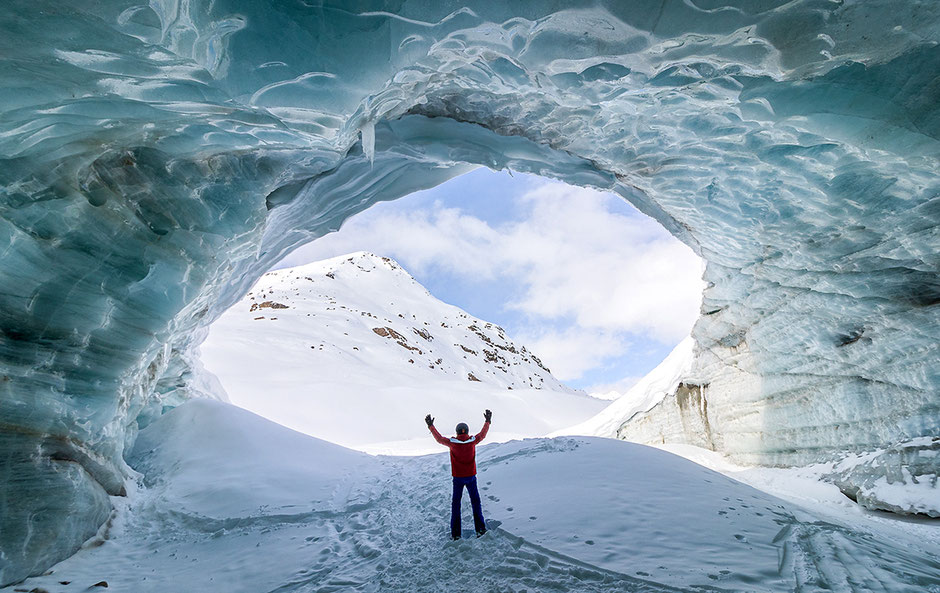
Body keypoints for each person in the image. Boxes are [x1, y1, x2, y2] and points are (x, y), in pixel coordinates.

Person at [425, 409, 492, 540]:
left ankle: (456, 534)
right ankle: (480, 529)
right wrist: (487, 421)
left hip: (458, 479)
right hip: (471, 478)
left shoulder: (452, 443)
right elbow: (482, 435)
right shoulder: (472, 441)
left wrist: (430, 426)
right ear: (467, 431)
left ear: (457, 432)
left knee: (456, 505)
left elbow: (439, 439)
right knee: (475, 502)